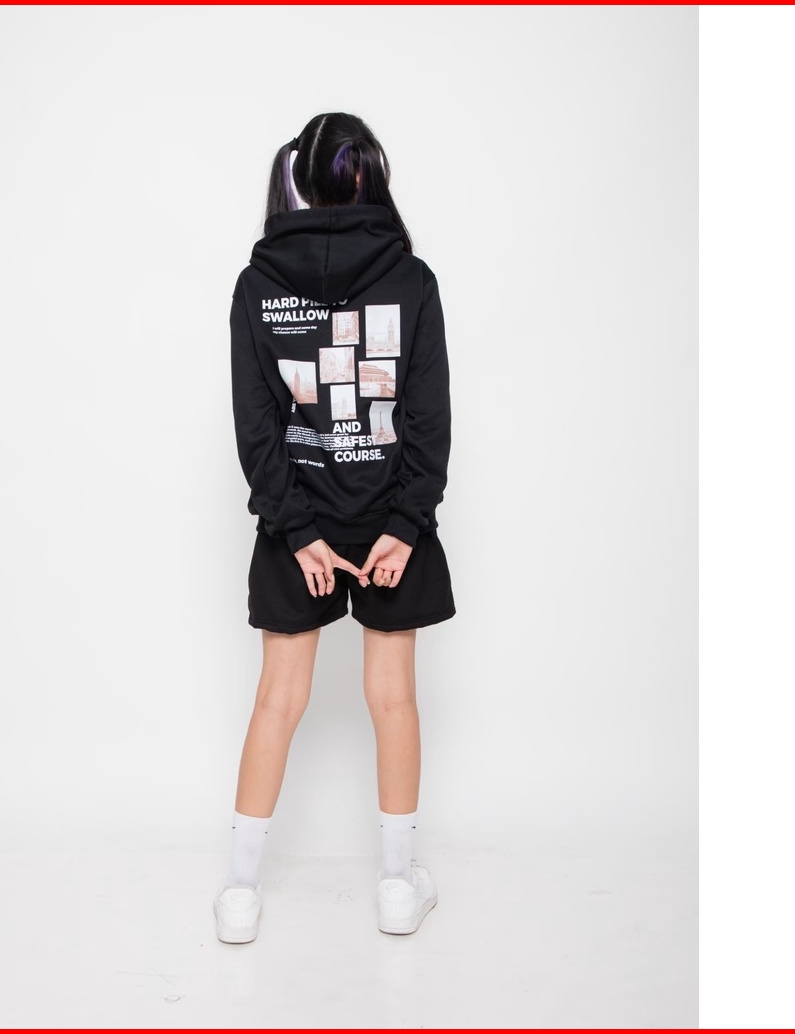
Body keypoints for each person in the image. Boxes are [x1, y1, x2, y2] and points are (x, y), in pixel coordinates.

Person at [213, 112, 455, 943]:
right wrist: (406, 524)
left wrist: (297, 530)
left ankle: (238, 893)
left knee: (278, 698)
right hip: (388, 520)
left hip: (299, 523)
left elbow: (255, 428)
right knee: (394, 697)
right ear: (373, 177)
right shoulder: (412, 280)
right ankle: (397, 886)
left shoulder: (256, 285)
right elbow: (428, 418)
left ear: (298, 180)